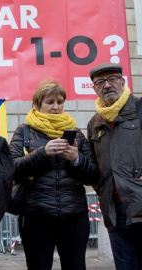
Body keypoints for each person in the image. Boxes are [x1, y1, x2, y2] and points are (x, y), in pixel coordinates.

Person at [9, 79, 99, 270]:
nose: (56, 107)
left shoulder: (76, 133)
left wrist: (76, 159)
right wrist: (42, 153)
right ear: (37, 104)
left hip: (74, 215)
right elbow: (11, 169)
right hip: (36, 215)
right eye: (49, 102)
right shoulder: (24, 131)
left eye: (59, 102)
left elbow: (93, 176)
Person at [87, 62, 142, 269]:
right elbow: (94, 166)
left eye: (112, 79)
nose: (107, 85)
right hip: (115, 211)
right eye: (100, 82)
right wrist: (103, 190)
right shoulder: (95, 123)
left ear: (123, 81)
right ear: (94, 88)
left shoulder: (139, 108)